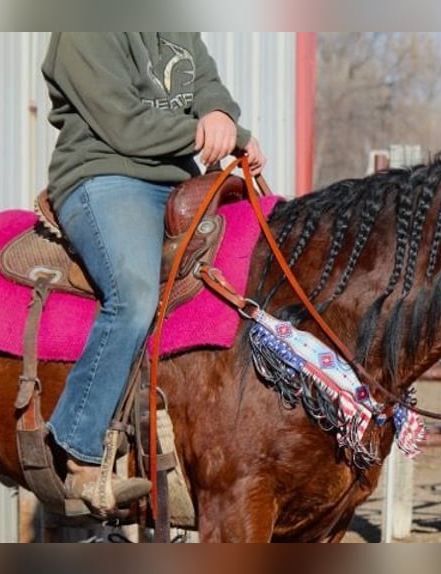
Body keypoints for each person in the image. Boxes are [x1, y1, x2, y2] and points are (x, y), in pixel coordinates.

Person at [42, 33, 266, 517]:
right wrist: (227, 137)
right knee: (135, 295)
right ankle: (78, 448)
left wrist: (222, 115)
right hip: (103, 176)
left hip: (178, 181)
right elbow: (123, 126)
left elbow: (206, 82)